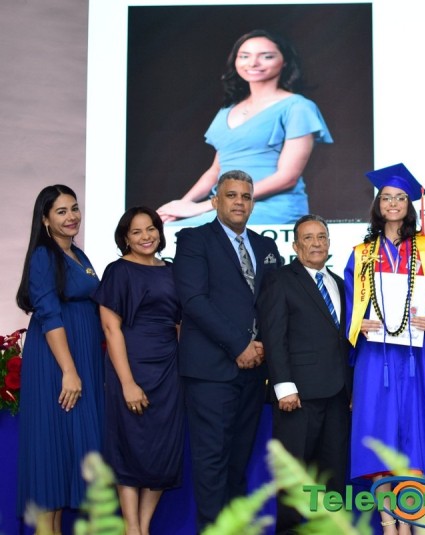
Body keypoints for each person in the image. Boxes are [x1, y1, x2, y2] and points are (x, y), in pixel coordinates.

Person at [173, 170, 280, 529]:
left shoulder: (266, 247)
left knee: (238, 463)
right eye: (231, 195)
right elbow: (194, 300)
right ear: (216, 200)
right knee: (211, 464)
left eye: (245, 196)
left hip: (254, 371)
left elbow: (273, 305)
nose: (239, 202)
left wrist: (263, 347)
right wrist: (239, 345)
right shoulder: (194, 240)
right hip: (211, 371)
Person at [345, 163, 425, 534]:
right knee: (379, 436)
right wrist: (358, 324)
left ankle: (410, 520)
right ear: (378, 204)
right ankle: (389, 523)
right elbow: (350, 305)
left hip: (412, 358)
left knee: (410, 439)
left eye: (400, 198)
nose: (393, 203)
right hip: (374, 358)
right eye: (386, 197)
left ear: (409, 205)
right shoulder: (362, 253)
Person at [157, 29, 333, 226]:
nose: (253, 63)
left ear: (285, 61)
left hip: (270, 208)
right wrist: (181, 207)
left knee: (181, 234)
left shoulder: (298, 107)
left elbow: (287, 177)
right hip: (224, 208)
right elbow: (215, 170)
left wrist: (204, 206)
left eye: (266, 56)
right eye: (244, 56)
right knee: (160, 229)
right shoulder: (228, 110)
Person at [15, 185, 104, 534]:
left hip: (82, 360)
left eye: (74, 208)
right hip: (56, 362)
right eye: (62, 211)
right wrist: (69, 370)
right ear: (45, 219)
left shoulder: (78, 255)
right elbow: (49, 316)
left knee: (71, 452)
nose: (72, 217)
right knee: (50, 450)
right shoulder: (43, 255)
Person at [258, 214, 351, 535]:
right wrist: (284, 387)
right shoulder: (280, 279)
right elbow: (274, 336)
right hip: (297, 396)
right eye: (308, 238)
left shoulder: (339, 283)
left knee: (334, 474)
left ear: (329, 242)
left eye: (321, 237)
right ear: (296, 246)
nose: (316, 243)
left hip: (338, 395)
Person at [93, 207, 183, 535]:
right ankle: (131, 527)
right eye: (136, 231)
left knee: (163, 449)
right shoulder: (118, 271)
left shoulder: (172, 270)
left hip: (168, 371)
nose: (146, 236)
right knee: (130, 447)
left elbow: (179, 323)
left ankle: (144, 527)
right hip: (131, 366)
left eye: (151, 229)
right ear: (126, 238)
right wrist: (128, 383)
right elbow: (110, 328)